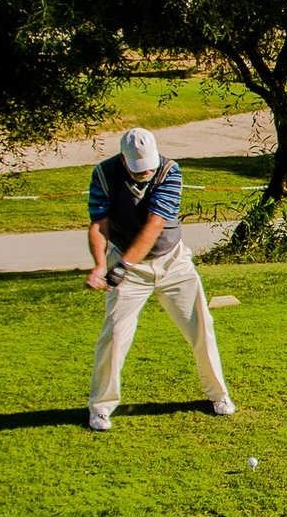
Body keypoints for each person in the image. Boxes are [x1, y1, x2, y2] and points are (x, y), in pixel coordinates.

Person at [84, 127, 234, 431]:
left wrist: (122, 266)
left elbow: (154, 226)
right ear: (124, 160)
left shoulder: (169, 171)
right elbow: (99, 225)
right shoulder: (103, 174)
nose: (146, 172)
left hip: (173, 263)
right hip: (127, 265)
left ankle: (218, 395)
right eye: (139, 168)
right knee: (114, 335)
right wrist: (100, 265)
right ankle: (100, 407)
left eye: (149, 166)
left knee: (201, 328)